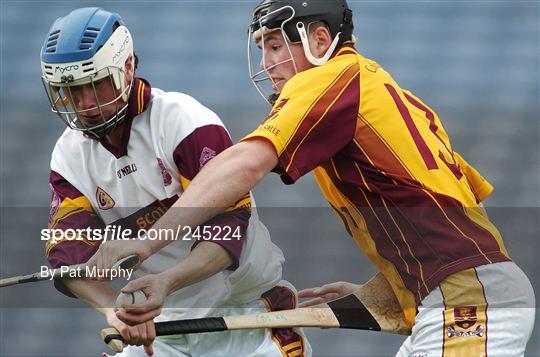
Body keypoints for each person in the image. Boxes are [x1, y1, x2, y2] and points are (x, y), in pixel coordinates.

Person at [88, 1, 536, 356]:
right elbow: (443, 232)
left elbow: (243, 163)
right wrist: (379, 295)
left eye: (277, 45)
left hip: (469, 302)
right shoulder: (377, 91)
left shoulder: (335, 76)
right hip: (462, 297)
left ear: (320, 38)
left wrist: (147, 243)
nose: (267, 62)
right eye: (261, 47)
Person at [41, 7, 311, 357]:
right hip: (163, 327)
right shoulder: (67, 158)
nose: (84, 103)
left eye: (94, 84)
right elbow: (67, 256)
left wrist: (166, 282)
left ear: (125, 69)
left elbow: (228, 229)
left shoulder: (184, 121)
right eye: (71, 91)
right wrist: (116, 311)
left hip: (246, 315)